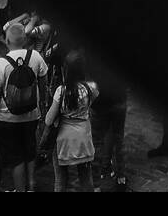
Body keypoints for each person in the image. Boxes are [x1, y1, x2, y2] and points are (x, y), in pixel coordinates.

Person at [0, 22, 49, 192]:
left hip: (7, 119)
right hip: (32, 115)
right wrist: (43, 107)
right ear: (24, 39)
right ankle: (31, 185)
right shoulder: (36, 56)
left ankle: (20, 190)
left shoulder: (1, 63)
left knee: (15, 158)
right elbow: (44, 85)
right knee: (29, 151)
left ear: (7, 40)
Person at [43, 51, 98, 192]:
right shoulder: (91, 88)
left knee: (60, 180)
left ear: (65, 69)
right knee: (86, 178)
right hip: (83, 140)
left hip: (63, 140)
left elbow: (49, 120)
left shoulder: (61, 91)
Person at [88, 52, 129, 191]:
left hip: (100, 104)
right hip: (118, 100)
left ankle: (96, 184)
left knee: (97, 142)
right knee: (119, 140)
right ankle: (121, 177)